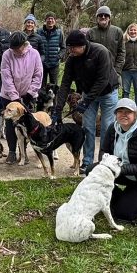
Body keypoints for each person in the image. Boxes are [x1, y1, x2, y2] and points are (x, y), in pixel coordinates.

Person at [52, 30, 119, 171]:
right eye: (69, 48)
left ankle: (104, 162)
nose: (70, 51)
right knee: (88, 127)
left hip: (108, 92)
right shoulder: (72, 59)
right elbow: (65, 84)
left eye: (73, 48)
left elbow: (102, 80)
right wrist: (57, 109)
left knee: (107, 128)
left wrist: (85, 101)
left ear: (83, 45)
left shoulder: (101, 52)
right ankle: (87, 161)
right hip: (88, 93)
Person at [0, 32, 44, 164]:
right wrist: (15, 98)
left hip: (29, 95)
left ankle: (23, 154)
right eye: (12, 48)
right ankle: (12, 152)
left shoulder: (34, 54)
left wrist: (30, 93)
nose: (14, 51)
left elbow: (38, 75)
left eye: (17, 48)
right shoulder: (7, 55)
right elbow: (6, 77)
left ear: (24, 45)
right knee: (11, 126)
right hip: (9, 96)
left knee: (28, 126)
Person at [87, 6, 125, 76]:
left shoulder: (118, 31)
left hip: (113, 72)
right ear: (97, 17)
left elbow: (121, 53)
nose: (103, 17)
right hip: (95, 73)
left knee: (114, 87)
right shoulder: (90, 32)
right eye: (100, 15)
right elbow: (86, 52)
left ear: (109, 17)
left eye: (106, 15)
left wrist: (117, 71)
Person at [38, 13, 64, 86]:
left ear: (55, 21)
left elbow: (63, 47)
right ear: (45, 20)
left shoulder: (59, 33)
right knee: (41, 85)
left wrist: (59, 56)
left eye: (52, 18)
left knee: (54, 86)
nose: (50, 20)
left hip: (54, 64)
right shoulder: (39, 32)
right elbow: (36, 47)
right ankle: (41, 97)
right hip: (42, 64)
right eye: (48, 18)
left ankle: (54, 98)